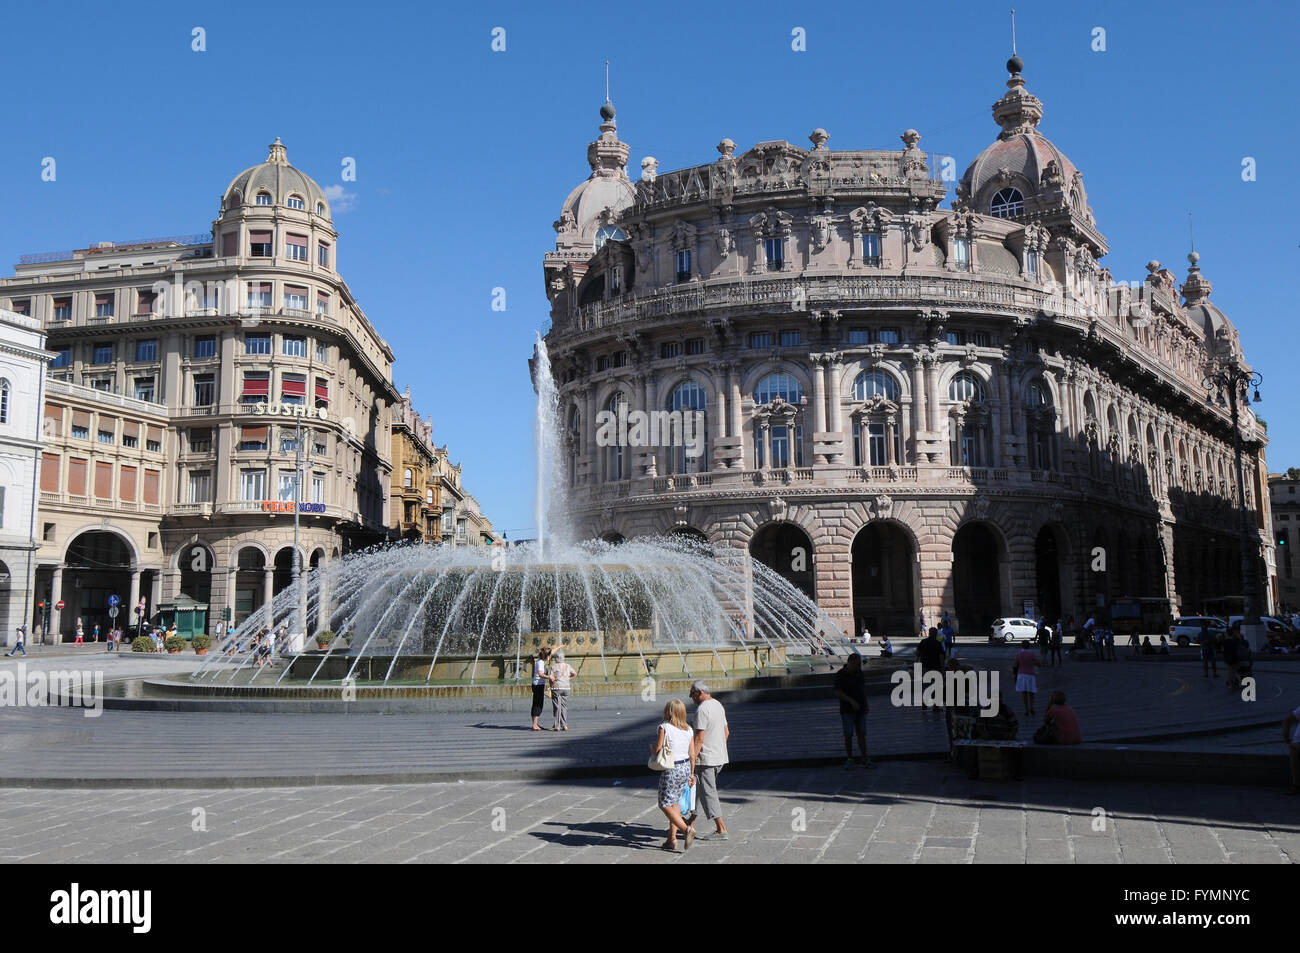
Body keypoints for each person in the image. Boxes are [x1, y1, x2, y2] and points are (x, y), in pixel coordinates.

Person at [651, 699, 696, 851]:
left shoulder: (664, 727)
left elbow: (658, 750)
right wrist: (691, 773)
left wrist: (652, 750)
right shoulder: (689, 729)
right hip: (684, 768)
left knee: (664, 803)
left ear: (668, 711)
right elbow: (692, 753)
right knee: (674, 802)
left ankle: (686, 829)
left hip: (672, 769)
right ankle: (672, 839)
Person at [689, 680, 730, 837]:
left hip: (706, 759)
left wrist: (691, 760)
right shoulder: (718, 705)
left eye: (692, 694)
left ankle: (721, 829)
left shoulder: (702, 710)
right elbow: (727, 732)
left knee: (708, 793)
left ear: (699, 692)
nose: (691, 698)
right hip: (719, 757)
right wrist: (717, 748)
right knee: (701, 790)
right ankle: (689, 822)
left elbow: (699, 739)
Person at [833, 654, 872, 768]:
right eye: (857, 664)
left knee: (862, 734)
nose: (859, 666)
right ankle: (850, 758)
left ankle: (865, 758)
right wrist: (851, 701)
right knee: (848, 734)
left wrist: (866, 704)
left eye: (859, 664)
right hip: (847, 710)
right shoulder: (841, 675)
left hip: (861, 709)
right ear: (850, 662)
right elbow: (838, 692)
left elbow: (863, 689)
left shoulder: (859, 673)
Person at [547, 650, 576, 730]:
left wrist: (550, 686)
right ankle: (565, 725)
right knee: (564, 706)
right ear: (563, 657)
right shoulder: (568, 666)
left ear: (556, 658)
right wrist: (568, 679)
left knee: (557, 707)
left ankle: (557, 726)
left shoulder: (553, 667)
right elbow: (575, 674)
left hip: (557, 688)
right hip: (566, 688)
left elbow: (551, 678)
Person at [530, 646, 552, 731]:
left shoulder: (541, 660)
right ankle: (534, 725)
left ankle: (535, 724)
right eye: (549, 655)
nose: (551, 656)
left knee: (537, 703)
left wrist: (561, 646)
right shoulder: (540, 663)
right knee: (538, 704)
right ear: (546, 655)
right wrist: (550, 677)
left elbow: (552, 651)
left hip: (539, 685)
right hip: (537, 685)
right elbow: (540, 674)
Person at [1013, 644, 1039, 716]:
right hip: (1030, 675)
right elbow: (1038, 663)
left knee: (1024, 693)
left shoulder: (1019, 654)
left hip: (1022, 675)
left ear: (1022, 646)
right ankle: (1032, 707)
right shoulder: (1032, 654)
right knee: (1031, 692)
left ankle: (1026, 710)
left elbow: (1015, 665)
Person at [1284, 704, 1300, 795]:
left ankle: (1296, 784)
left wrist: (1286, 739)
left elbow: (1287, 721)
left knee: (1294, 749)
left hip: (1296, 745)